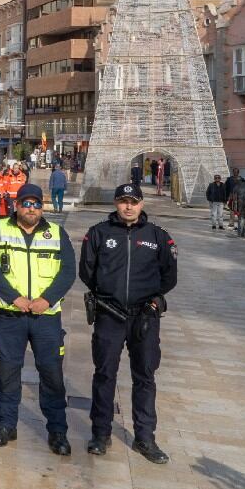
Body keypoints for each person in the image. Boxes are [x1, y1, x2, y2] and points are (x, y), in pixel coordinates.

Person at [79, 183, 177, 463]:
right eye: (123, 201)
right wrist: (106, 293)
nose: (128, 206)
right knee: (104, 374)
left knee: (144, 376)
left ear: (142, 204)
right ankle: (100, 434)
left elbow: (170, 275)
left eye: (133, 201)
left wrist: (154, 298)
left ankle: (145, 438)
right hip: (109, 314)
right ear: (115, 203)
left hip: (144, 317)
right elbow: (87, 271)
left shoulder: (158, 236)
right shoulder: (99, 233)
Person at [0, 184, 75, 455]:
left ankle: (57, 432)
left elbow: (68, 271)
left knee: (52, 374)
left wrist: (46, 299)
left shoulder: (56, 233)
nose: (31, 208)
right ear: (17, 205)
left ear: (41, 207)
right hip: (10, 316)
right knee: (8, 373)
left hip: (46, 317)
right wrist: (14, 298)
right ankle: (6, 425)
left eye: (35, 204)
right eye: (26, 203)